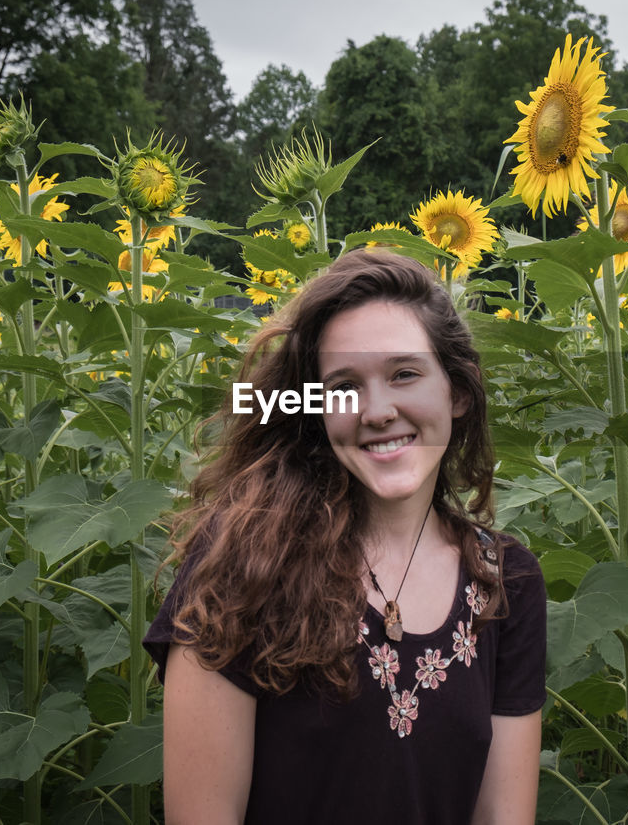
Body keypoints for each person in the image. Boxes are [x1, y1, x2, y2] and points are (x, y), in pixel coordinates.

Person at [143, 248, 547, 825]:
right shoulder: (245, 562)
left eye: (404, 373)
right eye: (345, 386)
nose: (377, 410)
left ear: (457, 390)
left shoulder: (506, 583)